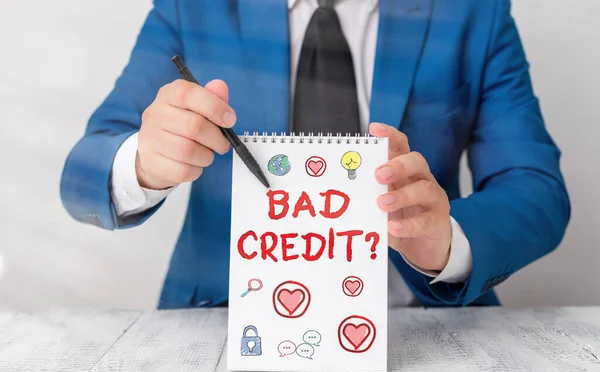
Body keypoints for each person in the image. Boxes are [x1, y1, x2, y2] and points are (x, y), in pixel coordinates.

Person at [60, 0, 570, 309]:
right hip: (221, 321)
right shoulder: (192, 7)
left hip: (422, 325)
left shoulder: (474, 13)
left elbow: (535, 186)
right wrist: (144, 164)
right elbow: (84, 171)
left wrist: (446, 242)